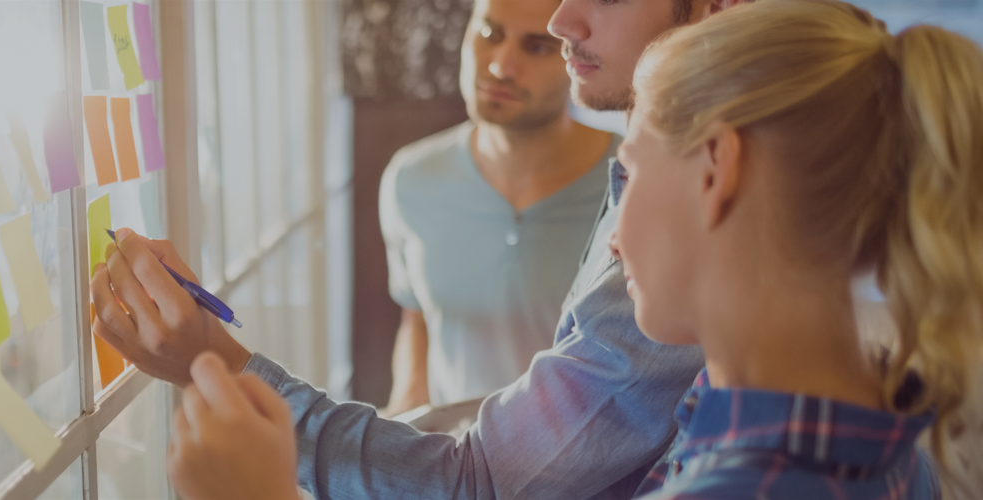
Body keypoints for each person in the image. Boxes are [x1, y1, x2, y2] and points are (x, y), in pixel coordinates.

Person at [165, 1, 983, 498]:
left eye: (625, 174)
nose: (615, 237)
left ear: (716, 171)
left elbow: (482, 483)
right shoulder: (872, 422)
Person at [90, 0, 744, 498]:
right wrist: (411, 419)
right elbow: (432, 342)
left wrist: (222, 366)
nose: (562, 17)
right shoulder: (413, 178)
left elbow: (481, 479)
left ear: (716, 7)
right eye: (488, 32)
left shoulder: (692, 217)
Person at [381, 0, 618, 415]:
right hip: (452, 462)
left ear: (576, 57)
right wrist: (403, 415)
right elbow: (418, 316)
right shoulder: (411, 178)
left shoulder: (632, 182)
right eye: (489, 35)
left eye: (538, 46)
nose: (500, 67)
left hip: (586, 465)